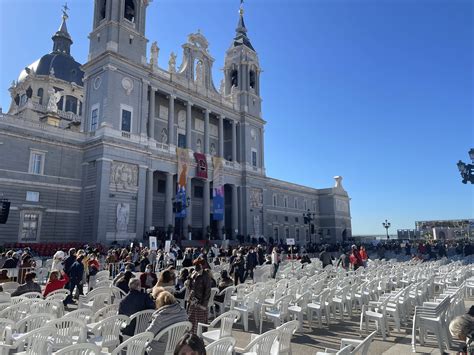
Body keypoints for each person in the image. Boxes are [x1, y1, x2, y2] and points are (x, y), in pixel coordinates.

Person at [187, 264, 212, 334]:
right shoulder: (194, 274)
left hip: (201, 302)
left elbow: (207, 291)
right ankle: (191, 336)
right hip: (193, 301)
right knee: (191, 319)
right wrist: (190, 298)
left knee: (201, 321)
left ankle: (200, 337)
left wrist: (204, 304)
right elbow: (191, 287)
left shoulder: (206, 276)